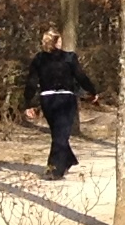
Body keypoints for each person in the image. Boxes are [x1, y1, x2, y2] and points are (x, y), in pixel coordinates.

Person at [26, 28, 103, 180]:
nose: (61, 43)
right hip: (64, 99)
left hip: (47, 100)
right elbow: (81, 76)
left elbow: (31, 83)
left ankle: (66, 161)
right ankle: (55, 169)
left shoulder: (39, 59)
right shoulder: (68, 57)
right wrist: (93, 91)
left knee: (59, 134)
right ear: (56, 42)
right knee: (60, 135)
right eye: (59, 40)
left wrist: (29, 102)